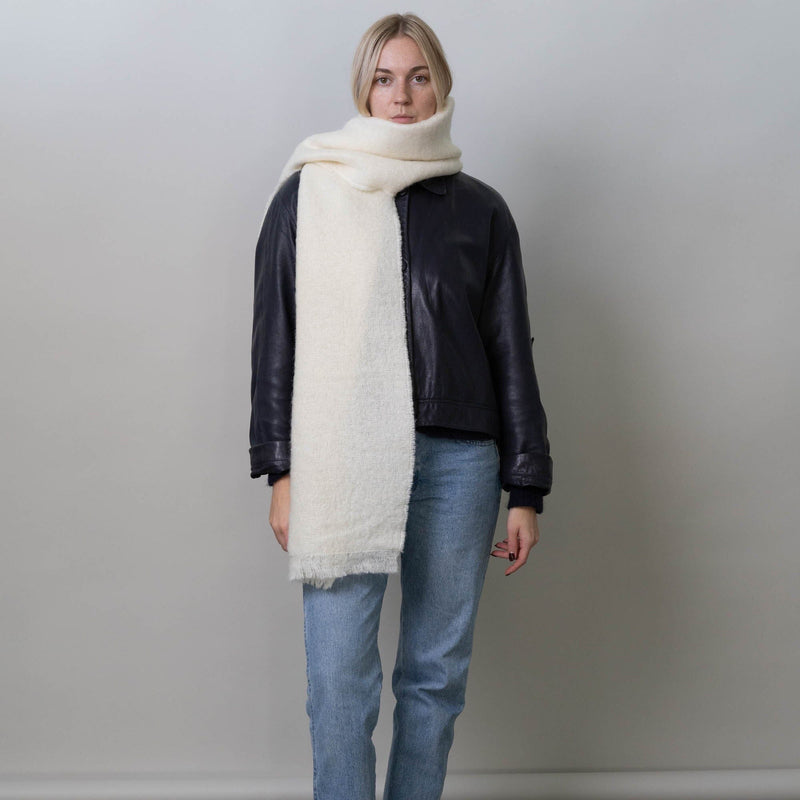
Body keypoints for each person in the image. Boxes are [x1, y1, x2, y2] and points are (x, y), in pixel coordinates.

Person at [249, 12, 552, 800]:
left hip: (459, 464)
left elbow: (510, 351)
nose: (402, 95)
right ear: (364, 87)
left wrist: (526, 487)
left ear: (441, 86)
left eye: (419, 77)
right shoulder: (307, 195)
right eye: (385, 78)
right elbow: (276, 338)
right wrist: (280, 470)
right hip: (342, 456)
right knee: (338, 683)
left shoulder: (482, 211)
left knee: (434, 678)